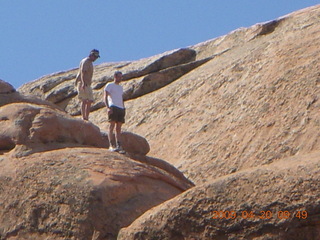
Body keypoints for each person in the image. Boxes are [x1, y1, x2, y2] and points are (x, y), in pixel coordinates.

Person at [104, 71, 126, 153]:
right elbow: (105, 96)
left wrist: (123, 107)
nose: (120, 78)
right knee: (111, 125)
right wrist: (107, 107)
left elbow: (121, 97)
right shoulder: (109, 85)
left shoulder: (120, 87)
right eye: (119, 77)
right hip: (113, 106)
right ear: (115, 76)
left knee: (119, 128)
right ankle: (111, 145)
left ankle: (119, 145)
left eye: (121, 77)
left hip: (120, 107)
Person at [75, 49, 100, 120]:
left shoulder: (90, 63)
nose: (95, 59)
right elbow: (83, 72)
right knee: (84, 100)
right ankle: (84, 117)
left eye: (96, 57)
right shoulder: (86, 61)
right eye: (95, 56)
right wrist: (83, 83)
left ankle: (87, 117)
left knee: (90, 100)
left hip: (87, 83)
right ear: (91, 55)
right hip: (83, 82)